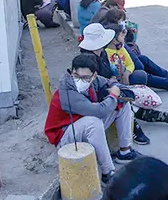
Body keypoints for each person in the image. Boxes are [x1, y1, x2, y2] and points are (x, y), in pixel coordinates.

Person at [44, 53, 141, 183]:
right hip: (64, 136)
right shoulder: (67, 92)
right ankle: (108, 172)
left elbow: (109, 83)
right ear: (71, 72)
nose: (80, 80)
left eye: (85, 78)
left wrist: (116, 88)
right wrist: (113, 96)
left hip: (82, 126)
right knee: (94, 121)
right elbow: (99, 111)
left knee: (122, 104)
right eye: (76, 76)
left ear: (94, 75)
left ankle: (125, 151)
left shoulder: (95, 80)